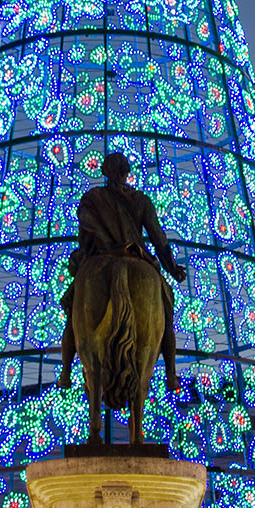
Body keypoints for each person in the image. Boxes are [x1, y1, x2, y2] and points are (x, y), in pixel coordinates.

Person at [57, 151, 187, 381]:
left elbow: (87, 225)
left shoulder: (92, 197)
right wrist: (171, 267)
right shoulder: (141, 200)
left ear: (105, 172)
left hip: (101, 255)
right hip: (135, 255)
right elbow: (158, 238)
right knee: (166, 309)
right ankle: (171, 372)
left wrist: (99, 247)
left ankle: (66, 371)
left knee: (72, 307)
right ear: (127, 172)